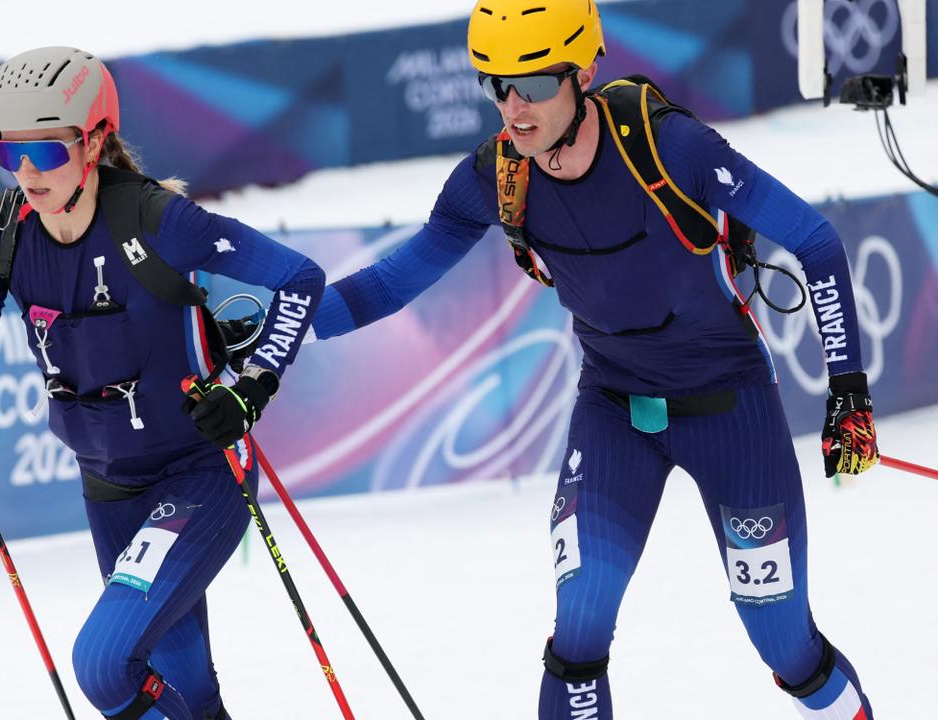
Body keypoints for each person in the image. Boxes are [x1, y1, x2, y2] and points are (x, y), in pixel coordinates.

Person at [312, 2, 878, 718]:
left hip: (730, 411)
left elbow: (818, 243)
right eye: (496, 86)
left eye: (536, 85)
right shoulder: (494, 178)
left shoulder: (672, 149)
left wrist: (848, 393)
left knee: (785, 647)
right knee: (579, 626)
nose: (515, 109)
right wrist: (278, 325)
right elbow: (389, 284)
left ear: (582, 73)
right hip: (613, 413)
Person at [0, 46, 323, 720]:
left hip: (199, 476)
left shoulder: (159, 221)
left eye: (48, 152)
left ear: (93, 143)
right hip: (108, 489)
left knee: (102, 664)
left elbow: (301, 279)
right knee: (188, 689)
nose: (27, 172)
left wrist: (252, 389)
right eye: (9, 154)